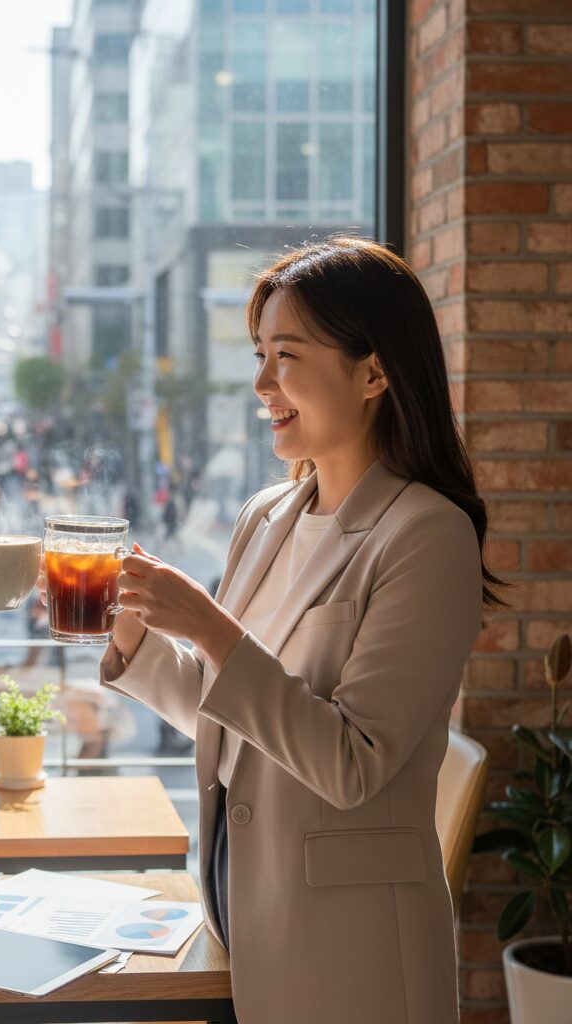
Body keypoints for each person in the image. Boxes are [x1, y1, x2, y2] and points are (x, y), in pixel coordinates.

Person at [100, 237, 505, 1024]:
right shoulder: (267, 515)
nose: (261, 384)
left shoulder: (427, 534)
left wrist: (210, 630)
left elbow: (352, 764)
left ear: (374, 373)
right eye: (259, 355)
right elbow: (238, 723)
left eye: (285, 355)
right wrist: (136, 641)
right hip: (246, 922)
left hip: (354, 962)